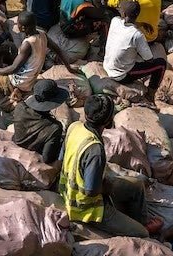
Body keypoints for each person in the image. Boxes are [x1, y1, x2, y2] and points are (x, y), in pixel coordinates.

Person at [60, 94, 151, 237]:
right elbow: (91, 191)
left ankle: (141, 221)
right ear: (108, 121)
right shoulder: (95, 150)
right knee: (143, 234)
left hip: (67, 190)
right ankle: (143, 230)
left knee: (137, 186)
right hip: (85, 208)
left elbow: (62, 157)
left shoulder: (74, 126)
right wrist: (107, 188)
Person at [103, 0, 166, 103]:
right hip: (121, 75)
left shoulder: (115, 21)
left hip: (107, 65)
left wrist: (140, 24)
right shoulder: (137, 35)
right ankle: (151, 94)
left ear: (123, 13)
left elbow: (126, 21)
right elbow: (149, 59)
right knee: (161, 64)